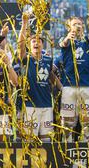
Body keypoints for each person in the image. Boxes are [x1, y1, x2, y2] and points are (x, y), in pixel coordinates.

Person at [58, 0, 89, 142]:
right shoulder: (66, 41)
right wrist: (68, 37)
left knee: (88, 124)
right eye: (75, 24)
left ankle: (88, 156)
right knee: (67, 125)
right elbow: (63, 43)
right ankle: (65, 156)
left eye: (80, 24)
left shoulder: (87, 42)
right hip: (69, 87)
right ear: (69, 27)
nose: (78, 26)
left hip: (85, 87)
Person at [17, 13, 62, 142]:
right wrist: (25, 24)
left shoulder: (48, 59)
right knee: (29, 140)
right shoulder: (26, 59)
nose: (36, 43)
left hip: (47, 105)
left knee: (46, 140)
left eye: (39, 41)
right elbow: (20, 45)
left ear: (42, 44)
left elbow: (51, 76)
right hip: (30, 106)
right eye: (33, 41)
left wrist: (63, 90)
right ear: (29, 45)